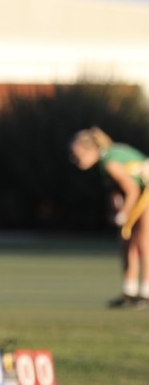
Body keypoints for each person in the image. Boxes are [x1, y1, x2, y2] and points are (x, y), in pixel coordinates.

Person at [69, 128, 149, 308]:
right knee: (127, 242)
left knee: (143, 243)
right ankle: (129, 293)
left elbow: (132, 190)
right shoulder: (105, 162)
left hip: (146, 193)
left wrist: (123, 215)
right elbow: (116, 192)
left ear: (90, 149)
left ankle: (146, 294)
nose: (74, 160)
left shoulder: (109, 162)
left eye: (77, 154)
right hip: (142, 193)